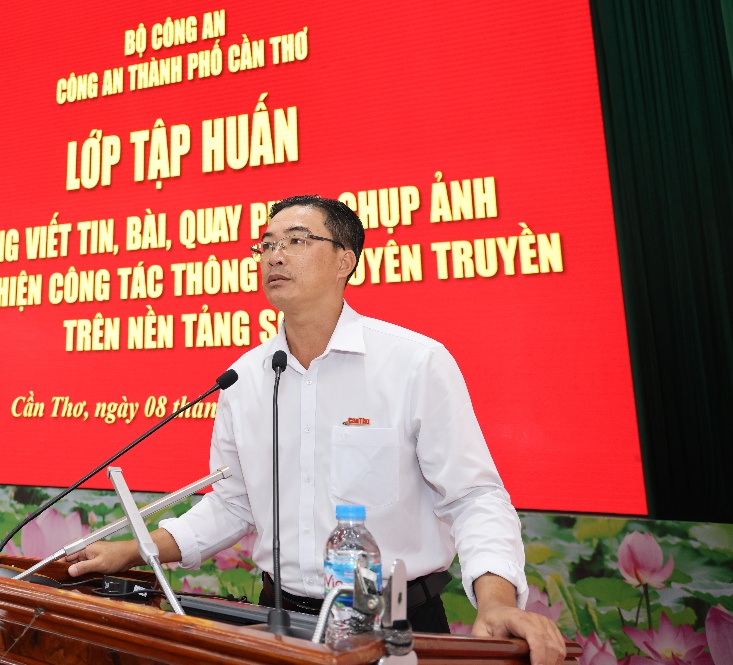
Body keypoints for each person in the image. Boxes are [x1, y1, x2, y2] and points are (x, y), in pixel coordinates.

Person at [67, 194, 565, 665]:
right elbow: (234, 504)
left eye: (296, 241)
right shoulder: (244, 378)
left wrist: (496, 601)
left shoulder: (415, 363)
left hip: (392, 621)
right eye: (266, 244)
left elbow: (474, 497)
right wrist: (134, 550)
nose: (274, 256)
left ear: (345, 260)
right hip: (278, 621)